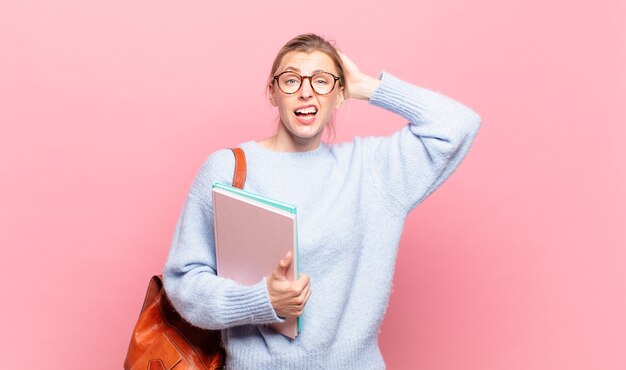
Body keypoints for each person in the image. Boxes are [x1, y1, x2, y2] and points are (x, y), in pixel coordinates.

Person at [163, 33, 481, 369]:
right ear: (272, 93)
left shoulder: (372, 170)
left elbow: (458, 125)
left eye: (322, 81)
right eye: (290, 80)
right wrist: (258, 301)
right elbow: (184, 282)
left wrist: (366, 86)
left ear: (340, 94)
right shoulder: (228, 169)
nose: (305, 91)